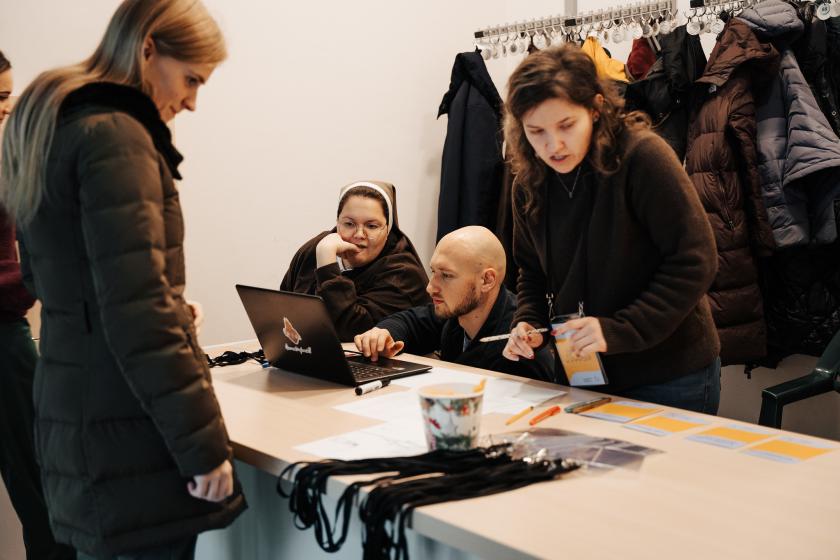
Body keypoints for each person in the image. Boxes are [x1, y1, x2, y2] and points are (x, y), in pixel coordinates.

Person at [0, 1, 246, 558]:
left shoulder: (51, 120)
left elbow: (46, 279)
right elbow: (140, 316)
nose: (192, 102)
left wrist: (151, 303)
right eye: (191, 80)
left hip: (80, 419)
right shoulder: (117, 135)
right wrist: (204, 449)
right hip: (128, 436)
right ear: (147, 48)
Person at [501, 46, 721, 414]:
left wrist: (618, 329)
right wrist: (529, 323)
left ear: (596, 108)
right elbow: (532, 271)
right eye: (536, 131)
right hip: (582, 370)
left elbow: (695, 260)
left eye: (566, 125)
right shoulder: (528, 183)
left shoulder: (643, 157)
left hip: (668, 373)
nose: (553, 145)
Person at [0, 50, 75, 560]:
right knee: (45, 493)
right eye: (0, 97)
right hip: (4, 340)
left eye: (10, 96)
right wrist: (37, 281)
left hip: (10, 333)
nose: (8, 108)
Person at [354, 226, 554, 381]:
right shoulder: (459, 311)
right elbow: (413, 321)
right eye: (434, 272)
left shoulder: (520, 346)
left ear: (487, 280)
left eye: (447, 275)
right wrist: (383, 333)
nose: (430, 288)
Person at [281, 180, 430, 341]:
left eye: (371, 226)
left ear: (388, 229)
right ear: (338, 223)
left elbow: (348, 333)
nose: (359, 234)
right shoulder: (315, 249)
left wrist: (327, 264)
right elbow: (282, 309)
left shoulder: (403, 274)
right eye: (349, 224)